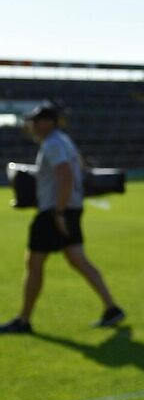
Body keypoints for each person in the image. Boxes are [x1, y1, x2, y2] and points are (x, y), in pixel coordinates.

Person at [1, 104, 125, 334]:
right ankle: (112, 308)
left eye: (36, 121)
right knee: (77, 258)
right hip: (70, 208)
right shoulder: (63, 140)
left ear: (49, 122)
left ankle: (23, 320)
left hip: (54, 211)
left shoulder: (53, 144)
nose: (32, 125)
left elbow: (66, 175)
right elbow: (79, 167)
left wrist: (57, 212)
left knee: (34, 262)